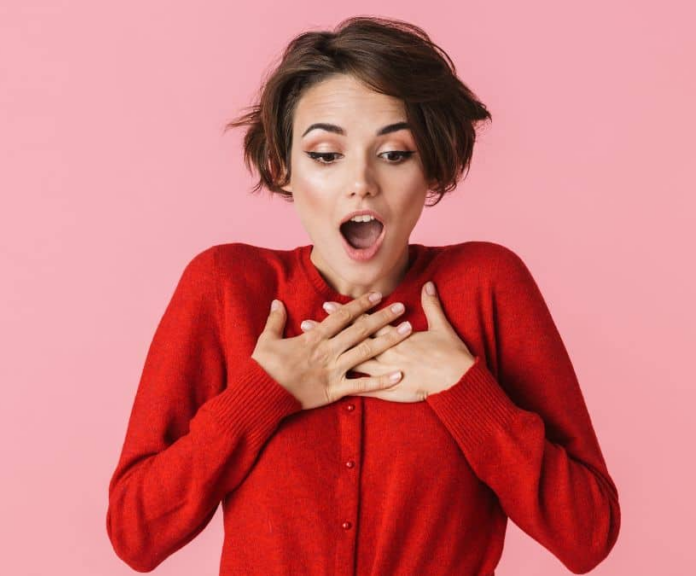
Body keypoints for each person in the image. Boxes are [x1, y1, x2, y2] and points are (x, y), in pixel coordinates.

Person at [106, 15, 620, 575]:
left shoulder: (486, 285)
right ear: (282, 168)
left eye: (395, 154)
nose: (361, 182)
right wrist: (262, 395)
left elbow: (587, 534)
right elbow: (137, 534)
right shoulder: (227, 287)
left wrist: (466, 391)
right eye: (326, 155)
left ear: (433, 168)